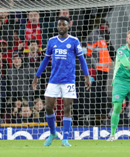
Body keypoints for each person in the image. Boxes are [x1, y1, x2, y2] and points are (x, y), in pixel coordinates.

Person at [32, 16, 91, 147]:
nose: (61, 27)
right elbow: (45, 60)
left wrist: (87, 76)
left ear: (68, 26)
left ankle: (65, 139)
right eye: (59, 25)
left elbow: (82, 60)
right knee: (48, 106)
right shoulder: (52, 41)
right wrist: (37, 76)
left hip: (69, 80)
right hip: (54, 80)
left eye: (64, 24)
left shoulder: (74, 41)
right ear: (57, 26)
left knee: (67, 108)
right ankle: (53, 133)